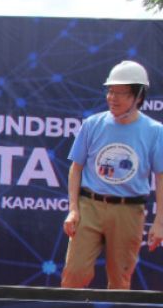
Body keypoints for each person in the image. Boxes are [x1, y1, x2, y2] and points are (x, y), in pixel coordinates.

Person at [61, 60, 163, 289]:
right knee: (74, 275)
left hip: (129, 211)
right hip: (90, 206)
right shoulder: (92, 124)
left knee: (120, 281)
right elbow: (76, 168)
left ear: (138, 96)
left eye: (121, 93)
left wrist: (160, 222)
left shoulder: (155, 131)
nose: (112, 98)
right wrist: (73, 209)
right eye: (110, 91)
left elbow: (161, 177)